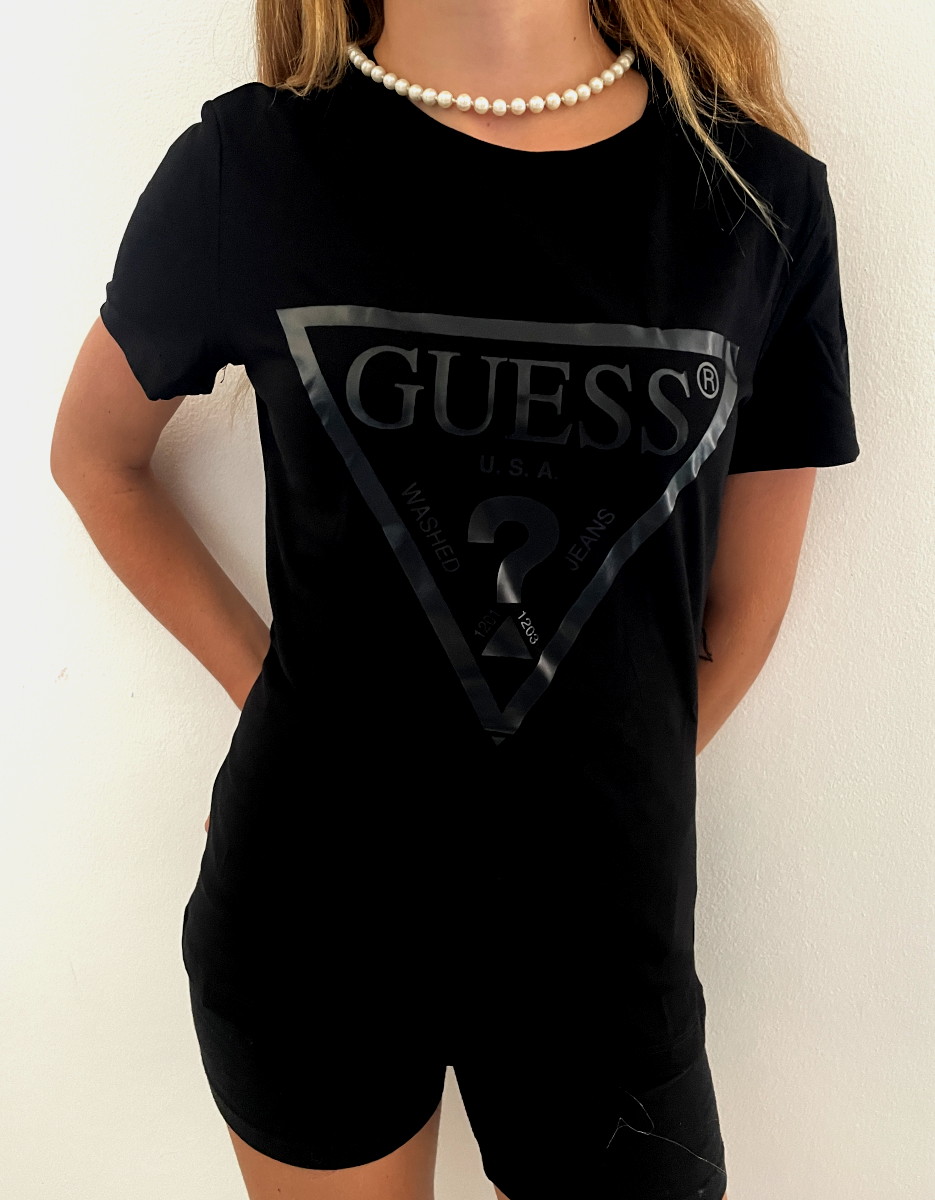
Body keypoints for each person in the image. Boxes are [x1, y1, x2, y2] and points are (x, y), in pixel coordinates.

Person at [50, 0, 861, 1196]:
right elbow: (94, 458)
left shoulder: (755, 200)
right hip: (309, 904)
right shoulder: (248, 168)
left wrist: (574, 790)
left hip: (600, 932)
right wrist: (265, 691)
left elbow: (737, 607)